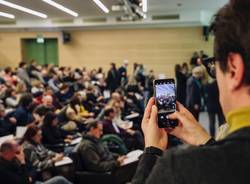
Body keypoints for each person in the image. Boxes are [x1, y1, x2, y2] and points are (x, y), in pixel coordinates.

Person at [132, 0, 250, 184]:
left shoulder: (180, 170)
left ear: (234, 69)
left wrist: (152, 151)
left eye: (214, 67)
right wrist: (206, 142)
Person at [0, 140, 72, 184]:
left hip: (33, 180)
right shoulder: (3, 168)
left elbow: (33, 168)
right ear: (8, 152)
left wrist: (29, 177)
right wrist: (22, 162)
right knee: (60, 180)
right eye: (17, 151)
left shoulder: (14, 156)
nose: (20, 152)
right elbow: (24, 182)